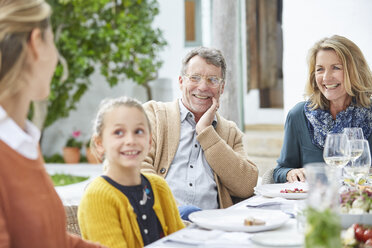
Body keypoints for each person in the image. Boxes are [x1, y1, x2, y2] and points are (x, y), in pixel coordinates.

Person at [0, 0, 105, 247]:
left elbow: (51, 239)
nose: (57, 58)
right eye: (53, 42)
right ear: (36, 43)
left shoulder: (22, 142)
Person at [141, 47, 258, 220]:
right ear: (181, 82)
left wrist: (206, 132)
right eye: (194, 78)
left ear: (222, 88)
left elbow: (247, 185)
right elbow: (137, 168)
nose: (203, 87)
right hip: (164, 221)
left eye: (212, 80)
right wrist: (170, 213)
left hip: (212, 228)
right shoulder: (153, 115)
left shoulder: (230, 131)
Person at [78, 97, 184, 248]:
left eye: (138, 131)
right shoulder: (98, 196)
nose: (130, 140)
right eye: (118, 132)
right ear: (100, 143)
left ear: (149, 141)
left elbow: (182, 240)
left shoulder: (159, 187)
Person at [273, 35, 372, 183]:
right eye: (320, 69)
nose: (326, 77)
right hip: (315, 203)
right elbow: (280, 170)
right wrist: (291, 173)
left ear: (355, 71)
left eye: (336, 68)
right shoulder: (298, 115)